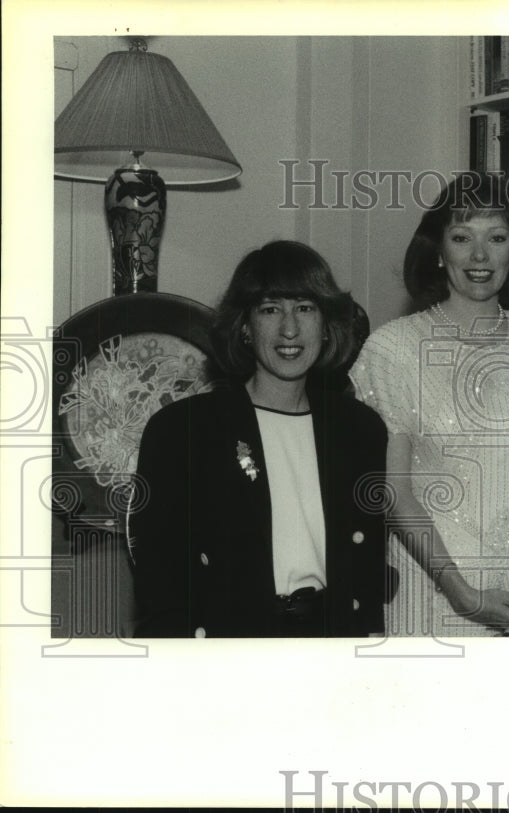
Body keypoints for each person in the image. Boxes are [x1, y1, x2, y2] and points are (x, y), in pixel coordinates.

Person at [349, 172, 509, 637]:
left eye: (496, 238)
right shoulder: (393, 348)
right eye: (462, 237)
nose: (480, 256)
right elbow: (395, 490)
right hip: (436, 597)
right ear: (438, 252)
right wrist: (461, 593)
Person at [129, 240, 388, 637]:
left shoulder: (360, 429)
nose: (289, 329)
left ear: (326, 324)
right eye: (270, 310)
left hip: (332, 647)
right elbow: (160, 581)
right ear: (245, 327)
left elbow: (365, 568)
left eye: (305, 308)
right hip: (229, 650)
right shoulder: (184, 429)